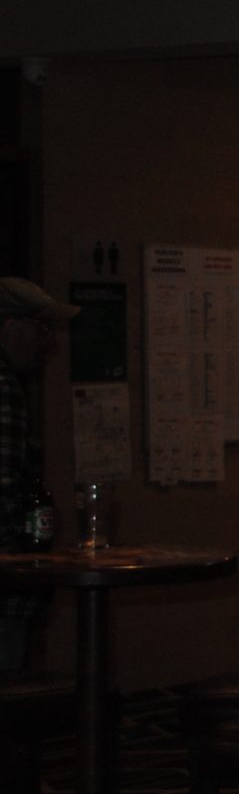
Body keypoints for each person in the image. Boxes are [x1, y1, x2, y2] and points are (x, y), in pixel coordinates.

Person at [1, 278, 77, 672]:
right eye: (40, 327)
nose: (47, 341)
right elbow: (4, 488)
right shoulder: (4, 388)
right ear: (9, 327)